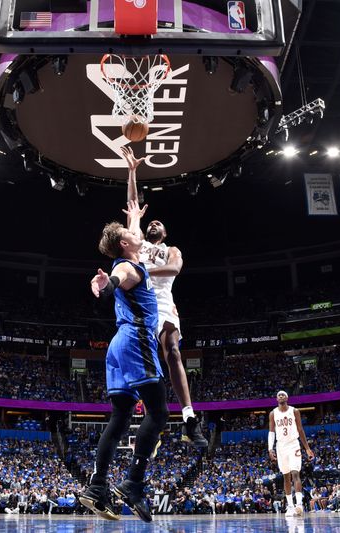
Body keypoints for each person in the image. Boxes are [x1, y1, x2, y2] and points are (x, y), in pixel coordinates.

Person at [79, 199, 169, 523]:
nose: (139, 234)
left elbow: (132, 218)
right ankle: (133, 483)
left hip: (117, 346)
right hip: (136, 340)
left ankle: (97, 487)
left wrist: (131, 173)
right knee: (159, 413)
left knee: (119, 417)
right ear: (124, 244)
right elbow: (115, 279)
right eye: (134, 234)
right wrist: (103, 287)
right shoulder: (127, 266)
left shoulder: (131, 249)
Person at [122, 146, 207, 448]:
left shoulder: (171, 250)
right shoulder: (139, 244)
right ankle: (153, 418)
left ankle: (189, 417)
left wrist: (145, 274)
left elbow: (174, 269)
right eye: (151, 221)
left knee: (172, 350)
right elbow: (133, 203)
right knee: (147, 362)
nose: (154, 222)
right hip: (139, 307)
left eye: (159, 222)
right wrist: (132, 171)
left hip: (163, 303)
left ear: (166, 231)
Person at [268, 391, 314, 517]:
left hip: (293, 444)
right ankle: (290, 506)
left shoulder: (294, 411)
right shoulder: (273, 413)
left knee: (295, 473)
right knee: (286, 477)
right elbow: (271, 432)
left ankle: (299, 504)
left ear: (287, 398)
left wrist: (307, 448)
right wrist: (270, 449)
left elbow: (300, 429)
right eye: (279, 395)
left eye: (283, 395)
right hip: (280, 446)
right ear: (276, 399)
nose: (281, 396)